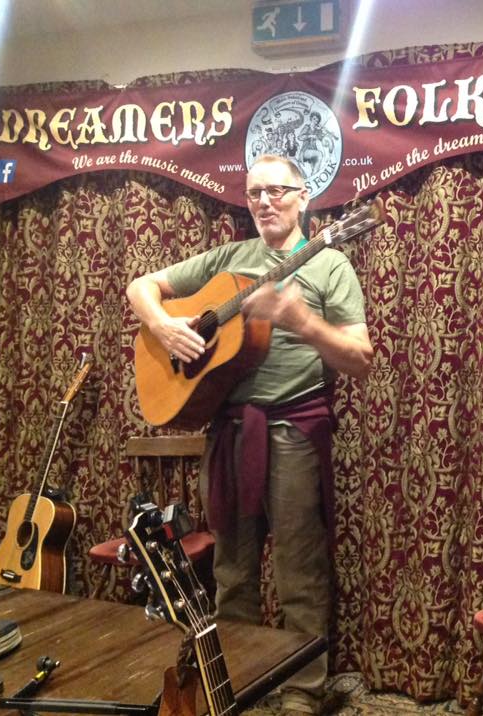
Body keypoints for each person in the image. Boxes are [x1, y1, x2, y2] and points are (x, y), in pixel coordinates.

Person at [126, 154, 373, 716]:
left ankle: (303, 690)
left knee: (298, 570)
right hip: (230, 432)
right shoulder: (229, 259)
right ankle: (236, 680)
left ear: (304, 198)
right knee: (232, 571)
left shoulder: (330, 264)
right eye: (255, 192)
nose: (264, 202)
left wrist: (303, 323)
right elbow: (142, 286)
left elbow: (360, 358)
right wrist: (163, 324)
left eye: (277, 191)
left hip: (293, 430)